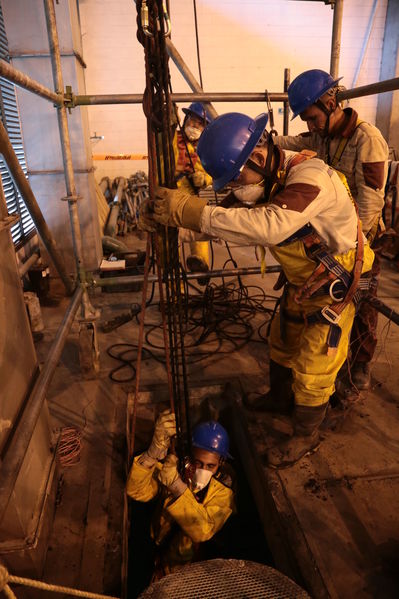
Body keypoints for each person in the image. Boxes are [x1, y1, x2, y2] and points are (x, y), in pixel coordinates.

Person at [145, 111, 375, 468]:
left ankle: (305, 435)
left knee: (314, 367)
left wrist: (192, 213)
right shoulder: (263, 180)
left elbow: (270, 225)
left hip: (333, 282)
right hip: (304, 281)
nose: (236, 188)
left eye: (237, 179)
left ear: (257, 156)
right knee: (282, 340)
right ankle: (279, 396)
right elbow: (220, 217)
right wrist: (169, 214)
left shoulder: (309, 178)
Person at [274, 69, 389, 390]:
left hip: (361, 240)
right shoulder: (322, 136)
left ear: (331, 101)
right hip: (329, 237)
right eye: (307, 121)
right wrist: (262, 141)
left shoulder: (368, 140)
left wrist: (355, 254)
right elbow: (296, 142)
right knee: (326, 304)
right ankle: (323, 361)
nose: (310, 126)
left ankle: (360, 366)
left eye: (312, 117)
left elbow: (370, 203)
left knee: (362, 300)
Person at [126, 410, 234, 576]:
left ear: (221, 462)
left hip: (185, 568)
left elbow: (203, 530)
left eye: (210, 466)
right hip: (155, 547)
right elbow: (137, 491)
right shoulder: (174, 468)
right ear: (190, 455)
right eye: (198, 463)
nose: (203, 470)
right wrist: (153, 453)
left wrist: (177, 487)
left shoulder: (222, 493)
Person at [173, 102, 213, 279]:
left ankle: (200, 263)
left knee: (199, 225)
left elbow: (210, 173)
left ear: (205, 128)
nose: (194, 126)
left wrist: (204, 179)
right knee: (171, 241)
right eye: (192, 121)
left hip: (189, 195)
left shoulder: (206, 148)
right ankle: (177, 285)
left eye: (199, 123)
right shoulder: (173, 139)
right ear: (185, 120)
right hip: (169, 192)